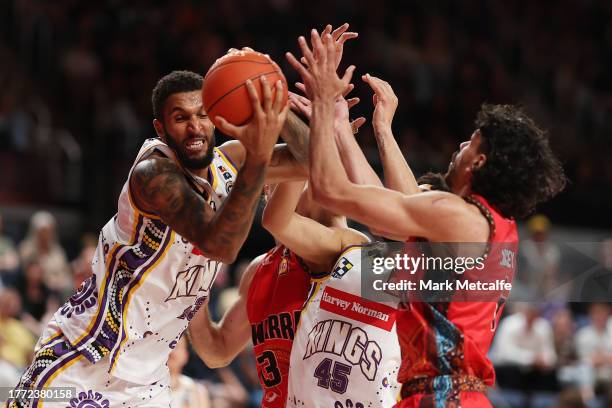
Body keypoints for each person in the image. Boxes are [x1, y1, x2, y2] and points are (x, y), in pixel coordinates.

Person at [287, 29, 566, 406]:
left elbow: (331, 192)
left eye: (471, 143)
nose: (461, 147)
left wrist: (321, 103)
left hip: (442, 396)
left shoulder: (461, 217)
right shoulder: (491, 223)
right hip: (452, 395)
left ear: (479, 162)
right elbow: (391, 212)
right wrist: (346, 128)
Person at [8, 65, 310, 408]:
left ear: (216, 118)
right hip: (83, 361)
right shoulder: (152, 174)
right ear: (161, 129)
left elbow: (314, 161)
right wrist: (258, 157)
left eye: (202, 115)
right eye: (180, 118)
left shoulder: (230, 162)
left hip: (148, 382)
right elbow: (221, 245)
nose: (195, 127)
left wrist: (277, 103)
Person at [168, 336, 210, 408]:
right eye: (167, 346)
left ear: (185, 355)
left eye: (176, 346)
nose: (171, 351)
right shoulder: (145, 388)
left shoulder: (197, 391)